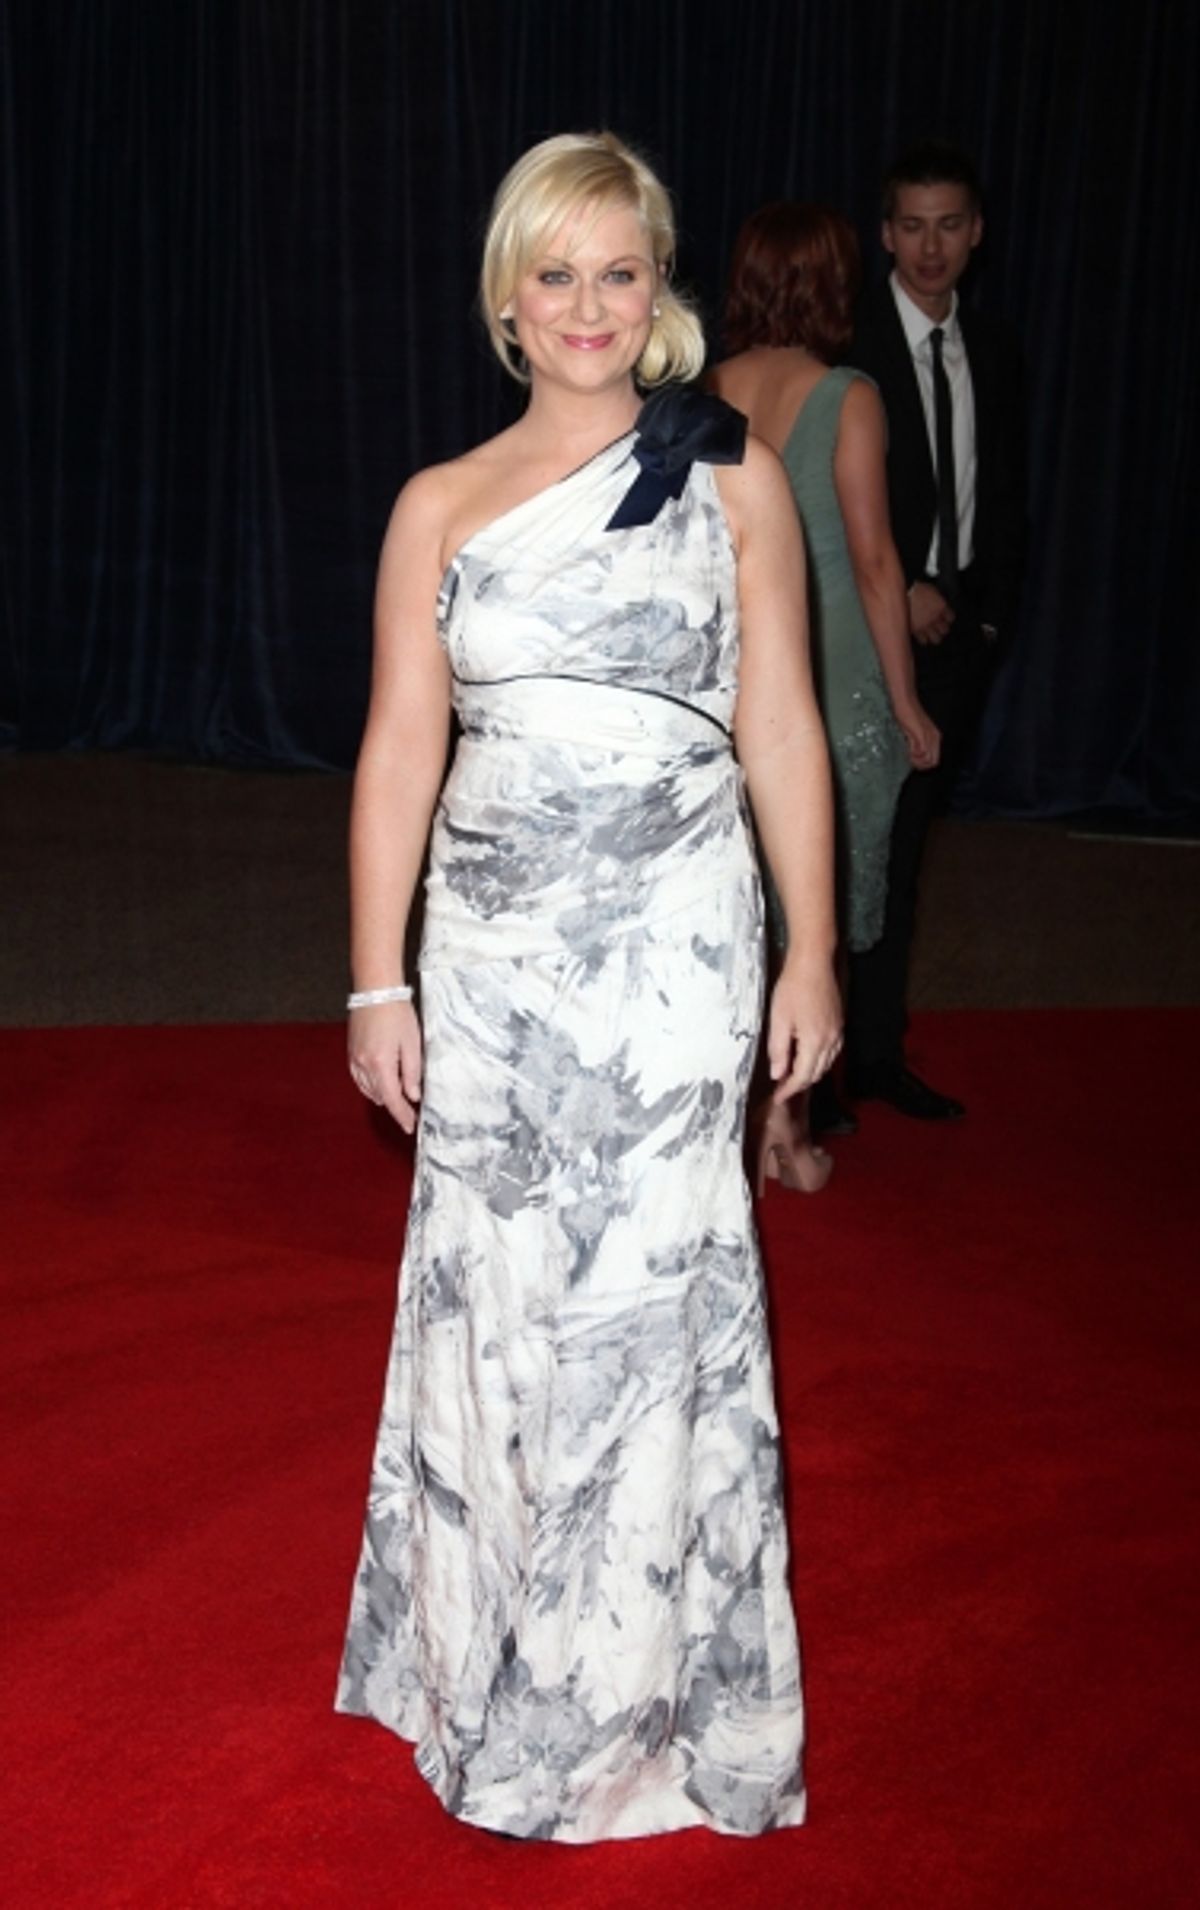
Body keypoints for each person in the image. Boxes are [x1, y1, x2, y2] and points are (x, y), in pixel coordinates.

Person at [335, 131, 841, 1842]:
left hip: (679, 956)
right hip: (486, 970)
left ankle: (628, 1716)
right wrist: (371, 984)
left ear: (664, 290)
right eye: (555, 273)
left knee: (648, 1307)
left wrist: (818, 947)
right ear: (506, 296)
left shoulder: (733, 476)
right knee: (497, 1300)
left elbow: (780, 723)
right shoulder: (442, 506)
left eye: (620, 271)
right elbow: (402, 747)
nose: (588, 306)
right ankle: (485, 1670)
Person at [711, 201, 940, 1188]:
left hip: (729, 673)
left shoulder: (708, 388)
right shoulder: (847, 394)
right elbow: (877, 563)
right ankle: (788, 1130)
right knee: (821, 913)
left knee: (743, 915)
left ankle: (734, 1121)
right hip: (830, 664)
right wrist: (907, 699)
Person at [846, 142, 1027, 1120]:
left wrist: (986, 613)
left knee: (907, 855)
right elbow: (827, 506)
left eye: (948, 224)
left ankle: (877, 1056)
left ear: (976, 233)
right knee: (842, 852)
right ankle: (820, 1072)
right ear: (885, 235)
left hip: (958, 640)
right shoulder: (849, 340)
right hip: (861, 634)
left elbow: (1006, 497)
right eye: (911, 225)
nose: (930, 245)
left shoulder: (994, 348)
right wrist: (903, 584)